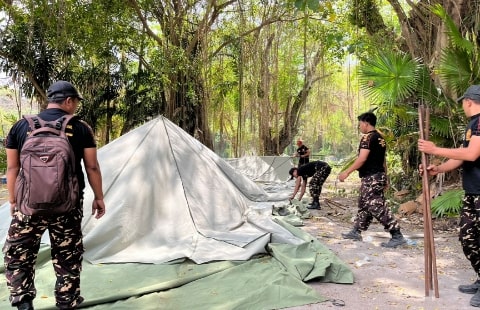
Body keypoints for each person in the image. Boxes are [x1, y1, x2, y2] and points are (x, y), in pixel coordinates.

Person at [3, 80, 106, 310]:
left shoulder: (20, 127)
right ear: (68, 101)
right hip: (67, 207)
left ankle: (23, 303)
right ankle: (66, 302)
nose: (76, 106)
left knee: (19, 253)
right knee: (67, 255)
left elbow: (12, 168)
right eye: (76, 102)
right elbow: (92, 167)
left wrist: (13, 200)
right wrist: (99, 197)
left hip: (28, 207)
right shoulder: (81, 128)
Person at [418, 84, 480, 307]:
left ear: (469, 101)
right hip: (473, 191)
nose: (463, 104)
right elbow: (462, 157)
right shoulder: (472, 124)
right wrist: (439, 168)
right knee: (468, 237)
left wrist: (434, 149)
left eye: (463, 101)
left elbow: (472, 154)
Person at [338, 111, 406, 248]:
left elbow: (362, 158)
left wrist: (347, 172)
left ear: (365, 123)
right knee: (364, 204)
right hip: (378, 175)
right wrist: (385, 177)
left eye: (360, 124)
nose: (360, 127)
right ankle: (356, 231)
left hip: (371, 177)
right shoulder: (380, 138)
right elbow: (383, 161)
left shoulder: (367, 138)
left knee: (375, 205)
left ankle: (396, 234)